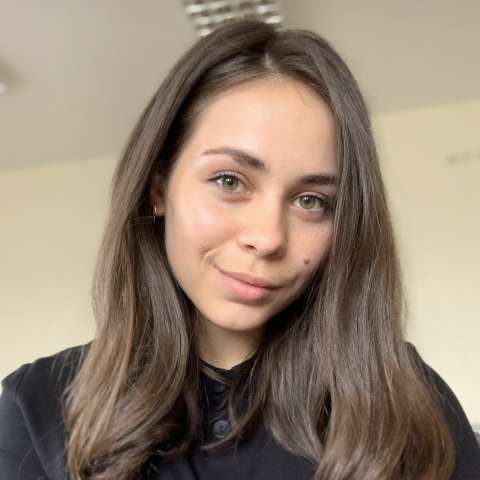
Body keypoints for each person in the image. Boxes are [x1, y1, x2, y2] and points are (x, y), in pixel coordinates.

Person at [1, 19, 479, 480]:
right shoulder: (37, 407)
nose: (268, 238)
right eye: (229, 181)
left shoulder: (408, 400)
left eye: (311, 201)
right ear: (158, 186)